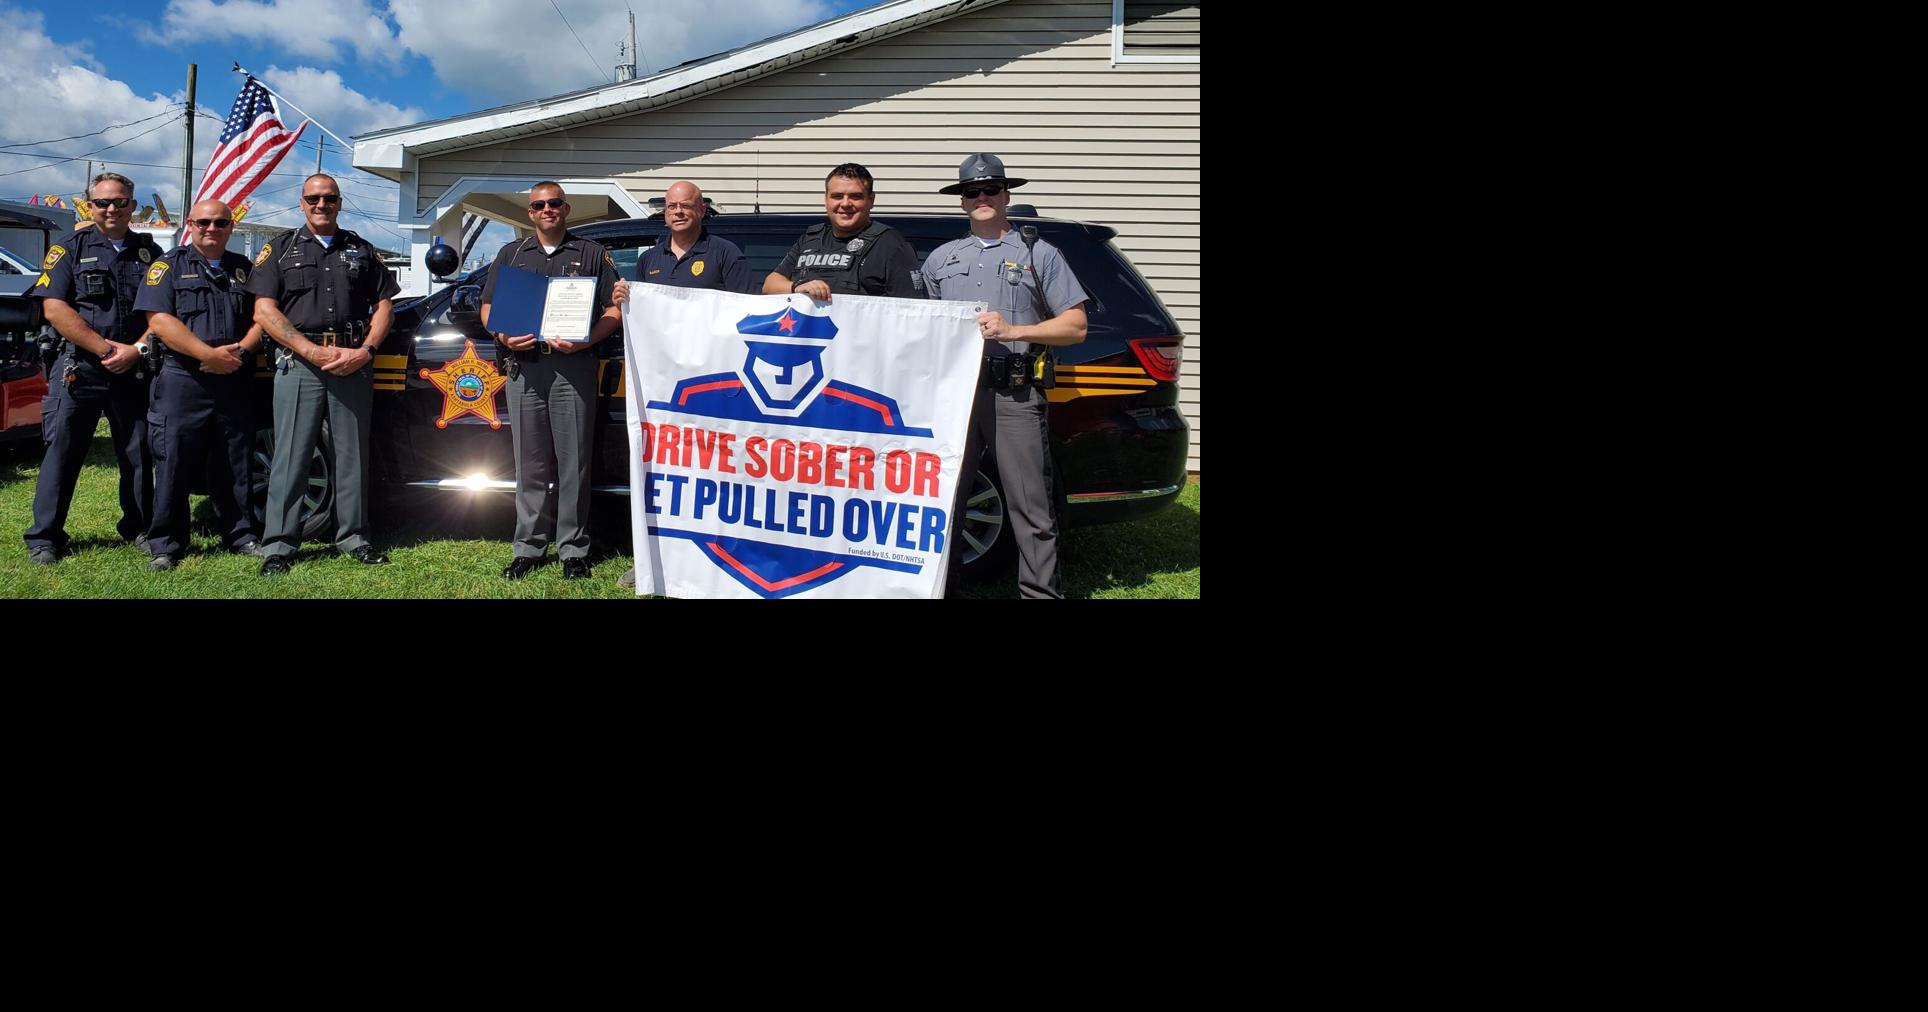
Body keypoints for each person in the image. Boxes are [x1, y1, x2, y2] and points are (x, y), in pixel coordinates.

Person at [923, 154, 1088, 599]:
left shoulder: (1039, 254)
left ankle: (1039, 594)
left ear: (1006, 195)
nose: (981, 198)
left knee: (1030, 508)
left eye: (990, 190)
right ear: (961, 202)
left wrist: (1017, 330)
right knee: (943, 504)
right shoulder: (941, 259)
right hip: (955, 400)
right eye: (971, 192)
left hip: (1014, 395)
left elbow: (1075, 326)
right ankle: (942, 590)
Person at [248, 172, 400, 575]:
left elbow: (385, 305)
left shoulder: (362, 250)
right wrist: (309, 350)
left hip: (352, 361)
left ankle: (354, 537)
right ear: (302, 203)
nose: (321, 205)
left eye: (329, 198)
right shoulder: (279, 249)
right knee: (291, 454)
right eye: (313, 198)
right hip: (300, 363)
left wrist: (366, 351)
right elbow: (264, 310)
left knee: (353, 455)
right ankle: (279, 544)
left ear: (339, 202)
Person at [612, 179, 755, 589]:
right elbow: (640, 316)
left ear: (702, 209)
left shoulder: (725, 253)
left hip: (713, 386)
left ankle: (712, 557)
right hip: (663, 389)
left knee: (713, 472)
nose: (677, 212)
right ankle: (653, 558)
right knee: (662, 470)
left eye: (686, 205)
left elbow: (745, 312)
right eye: (671, 206)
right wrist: (626, 296)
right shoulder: (649, 258)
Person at [480, 181, 622, 579]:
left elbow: (615, 308)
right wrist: (503, 334)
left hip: (573, 367)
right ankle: (528, 546)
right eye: (539, 205)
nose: (547, 209)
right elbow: (488, 306)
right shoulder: (512, 254)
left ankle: (573, 549)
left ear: (566, 208)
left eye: (554, 203)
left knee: (574, 460)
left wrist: (587, 340)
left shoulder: (591, 253)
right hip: (524, 367)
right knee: (530, 462)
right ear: (530, 212)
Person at [23, 171, 162, 565]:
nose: (111, 209)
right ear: (89, 206)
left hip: (134, 367)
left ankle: (140, 527)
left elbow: (161, 311)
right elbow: (54, 308)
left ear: (133, 206)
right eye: (102, 202)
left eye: (120, 202)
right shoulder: (68, 249)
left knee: (137, 453)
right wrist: (104, 349)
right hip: (80, 367)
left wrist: (135, 349)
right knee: (63, 451)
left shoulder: (150, 254)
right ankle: (45, 537)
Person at [134, 200, 265, 569]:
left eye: (221, 222)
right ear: (190, 224)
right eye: (204, 222)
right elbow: (159, 319)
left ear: (231, 227)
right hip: (183, 379)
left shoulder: (244, 269)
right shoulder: (167, 266)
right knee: (173, 460)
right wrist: (207, 355)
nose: (212, 228)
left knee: (235, 461)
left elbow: (263, 316)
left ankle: (240, 534)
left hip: (234, 377)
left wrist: (240, 350)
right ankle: (167, 543)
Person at [762, 163, 925, 300]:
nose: (845, 203)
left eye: (855, 196)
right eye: (837, 196)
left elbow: (911, 312)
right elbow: (770, 284)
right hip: (812, 337)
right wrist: (797, 287)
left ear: (871, 200)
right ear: (826, 200)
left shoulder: (890, 245)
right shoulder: (811, 239)